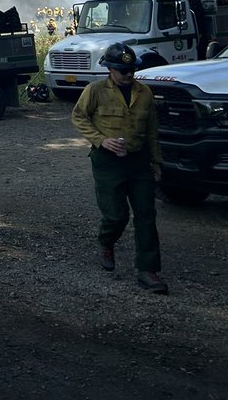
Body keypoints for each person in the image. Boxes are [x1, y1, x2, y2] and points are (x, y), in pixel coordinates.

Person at [71, 42, 167, 294]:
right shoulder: (95, 90)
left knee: (146, 215)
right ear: (109, 70)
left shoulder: (144, 93)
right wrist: (101, 139)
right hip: (107, 163)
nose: (128, 75)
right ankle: (106, 241)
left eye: (131, 70)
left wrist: (156, 162)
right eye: (122, 71)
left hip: (138, 161)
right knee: (116, 215)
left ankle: (148, 270)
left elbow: (152, 131)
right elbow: (79, 116)